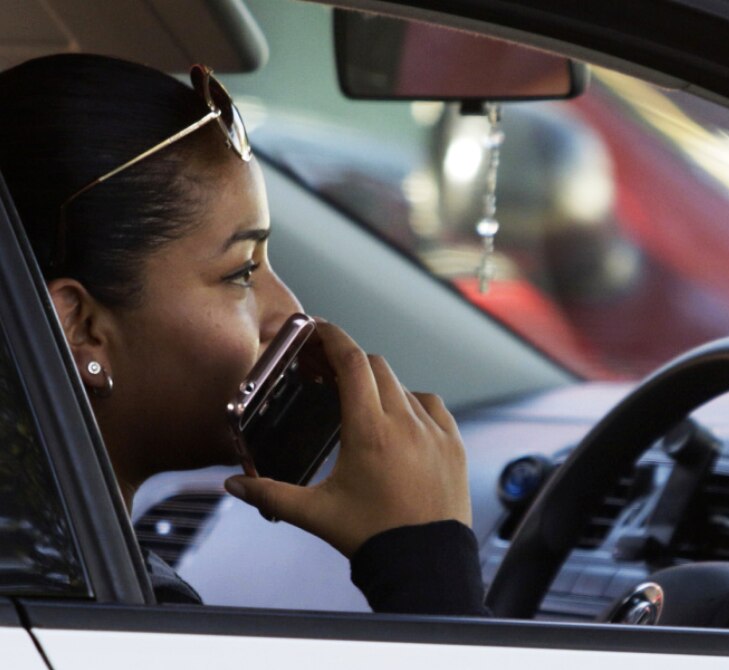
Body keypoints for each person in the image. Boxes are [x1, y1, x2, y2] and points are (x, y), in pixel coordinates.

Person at [0, 53, 487, 615]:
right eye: (241, 274)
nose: (291, 312)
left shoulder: (54, 573)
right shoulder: (91, 612)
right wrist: (426, 563)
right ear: (79, 326)